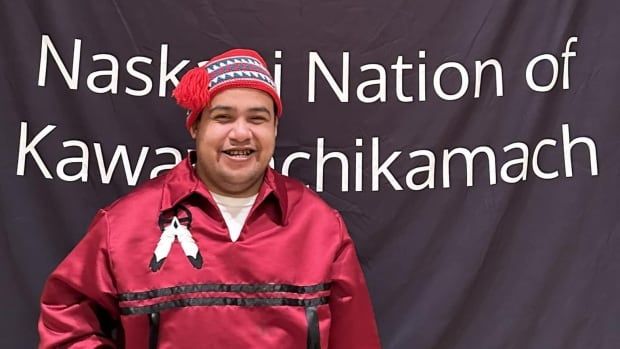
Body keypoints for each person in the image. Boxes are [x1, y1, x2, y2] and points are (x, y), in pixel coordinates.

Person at [38, 48, 382, 349]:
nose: (241, 132)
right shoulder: (125, 226)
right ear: (195, 127)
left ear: (275, 129)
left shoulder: (320, 227)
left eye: (258, 118)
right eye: (223, 117)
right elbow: (67, 322)